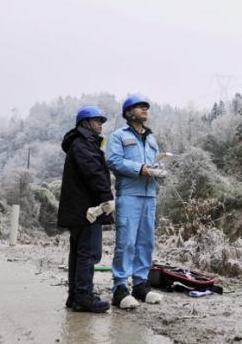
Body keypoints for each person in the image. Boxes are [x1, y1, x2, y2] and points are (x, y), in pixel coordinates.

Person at [106, 95, 165, 309]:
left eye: (146, 107)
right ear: (129, 112)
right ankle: (120, 288)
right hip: (129, 195)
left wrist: (160, 172)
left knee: (145, 242)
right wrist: (139, 169)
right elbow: (113, 161)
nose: (145, 109)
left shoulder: (151, 139)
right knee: (126, 243)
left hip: (150, 195)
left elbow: (155, 161)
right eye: (141, 107)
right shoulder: (118, 136)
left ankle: (140, 285)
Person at [57, 105, 115, 313]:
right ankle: (84, 295)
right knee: (89, 253)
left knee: (79, 253)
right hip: (87, 210)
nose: (101, 124)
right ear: (86, 123)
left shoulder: (80, 143)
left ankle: (75, 296)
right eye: (97, 120)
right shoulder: (84, 144)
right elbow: (94, 173)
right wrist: (107, 198)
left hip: (78, 209)